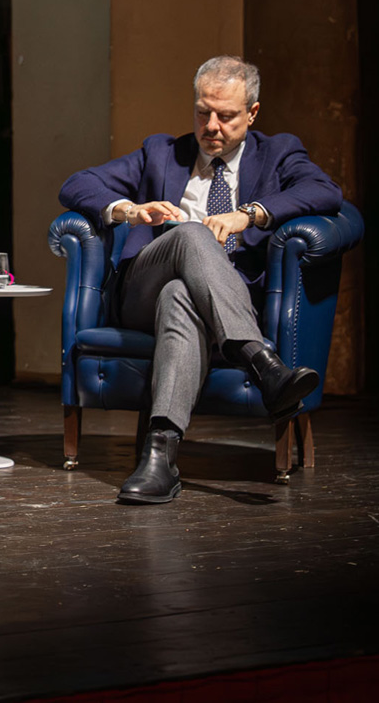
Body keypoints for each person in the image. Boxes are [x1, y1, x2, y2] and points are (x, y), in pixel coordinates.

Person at [59, 55, 343, 504]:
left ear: (252, 113)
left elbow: (326, 192)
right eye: (202, 112)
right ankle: (263, 365)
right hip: (141, 292)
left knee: (181, 296)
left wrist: (248, 215)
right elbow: (78, 183)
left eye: (226, 116)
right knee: (190, 236)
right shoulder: (161, 152)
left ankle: (160, 457)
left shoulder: (279, 153)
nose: (211, 125)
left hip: (220, 303)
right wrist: (130, 210)